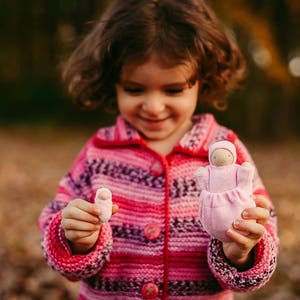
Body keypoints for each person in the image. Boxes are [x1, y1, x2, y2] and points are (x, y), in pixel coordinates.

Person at [38, 0, 279, 299]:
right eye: (134, 89)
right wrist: (76, 239)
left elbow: (264, 229)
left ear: (202, 81)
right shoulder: (99, 152)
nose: (153, 107)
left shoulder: (224, 152)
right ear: (112, 82)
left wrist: (241, 252)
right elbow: (55, 224)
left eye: (173, 90)